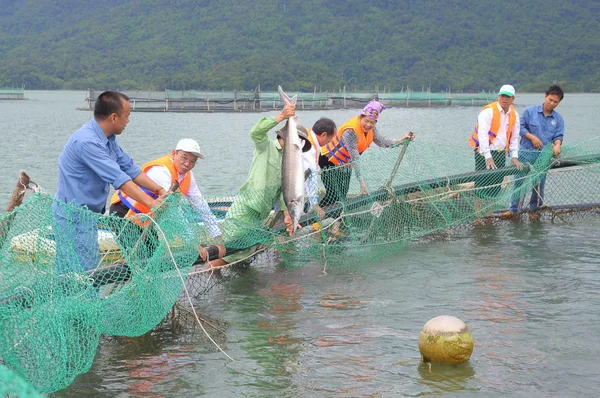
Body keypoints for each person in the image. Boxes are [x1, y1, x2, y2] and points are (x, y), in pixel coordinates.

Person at [53, 91, 166, 274]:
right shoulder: (87, 142)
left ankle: (79, 300)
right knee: (81, 273)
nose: (128, 121)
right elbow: (120, 180)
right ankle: (83, 301)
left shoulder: (108, 139)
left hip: (87, 216)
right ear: (114, 117)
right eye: (127, 116)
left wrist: (159, 190)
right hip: (72, 217)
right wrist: (151, 203)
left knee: (82, 268)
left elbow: (129, 168)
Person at [207, 104, 311, 269]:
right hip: (245, 209)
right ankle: (211, 271)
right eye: (297, 139)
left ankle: (233, 283)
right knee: (231, 249)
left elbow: (285, 191)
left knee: (246, 251)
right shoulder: (266, 146)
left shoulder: (290, 162)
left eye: (301, 143)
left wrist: (287, 215)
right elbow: (256, 132)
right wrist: (281, 116)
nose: (298, 144)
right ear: (284, 136)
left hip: (260, 214)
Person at [109, 138, 222, 240]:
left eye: (193, 161)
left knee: (151, 255)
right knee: (140, 259)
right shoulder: (161, 171)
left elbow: (201, 206)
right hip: (125, 213)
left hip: (146, 220)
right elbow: (174, 212)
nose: (187, 164)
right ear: (174, 154)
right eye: (184, 157)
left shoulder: (189, 176)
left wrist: (217, 237)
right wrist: (192, 243)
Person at [318, 100, 414, 209]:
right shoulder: (350, 131)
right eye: (366, 121)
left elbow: (382, 142)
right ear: (361, 117)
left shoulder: (372, 129)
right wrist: (361, 182)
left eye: (372, 122)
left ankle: (336, 224)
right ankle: (316, 215)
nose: (368, 125)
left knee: (342, 194)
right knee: (333, 194)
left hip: (344, 163)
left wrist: (401, 140)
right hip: (328, 160)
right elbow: (355, 158)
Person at [500, 85, 565, 220]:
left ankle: (534, 210)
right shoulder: (530, 111)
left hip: (543, 157)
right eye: (550, 100)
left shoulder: (558, 119)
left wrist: (557, 146)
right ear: (545, 96)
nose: (552, 103)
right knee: (519, 182)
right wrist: (532, 137)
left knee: (539, 184)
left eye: (555, 102)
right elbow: (519, 128)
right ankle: (513, 210)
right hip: (525, 153)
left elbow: (558, 136)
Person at [468, 84, 523, 203]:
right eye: (502, 96)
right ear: (498, 96)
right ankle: (478, 217)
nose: (505, 99)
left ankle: (488, 213)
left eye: (508, 97)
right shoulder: (488, 111)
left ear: (513, 99)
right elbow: (482, 135)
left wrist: (514, 157)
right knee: (482, 184)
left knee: (496, 184)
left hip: (501, 153)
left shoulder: (515, 115)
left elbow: (514, 137)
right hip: (483, 153)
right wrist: (488, 157)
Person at [302, 117, 337, 220]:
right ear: (323, 135)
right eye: (330, 139)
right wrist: (315, 204)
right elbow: (311, 175)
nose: (330, 142)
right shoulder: (310, 148)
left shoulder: (307, 137)